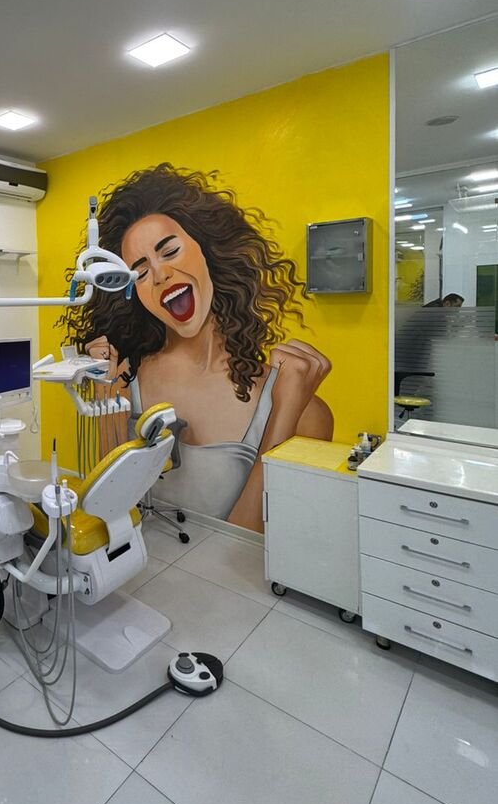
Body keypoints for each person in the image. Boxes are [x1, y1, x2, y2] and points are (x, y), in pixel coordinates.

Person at [61, 163, 333, 534]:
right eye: (140, 271)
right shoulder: (126, 379)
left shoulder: (300, 407)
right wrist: (105, 394)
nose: (159, 275)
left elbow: (261, 545)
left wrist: (285, 411)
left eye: (170, 251)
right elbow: (110, 503)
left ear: (208, 250)